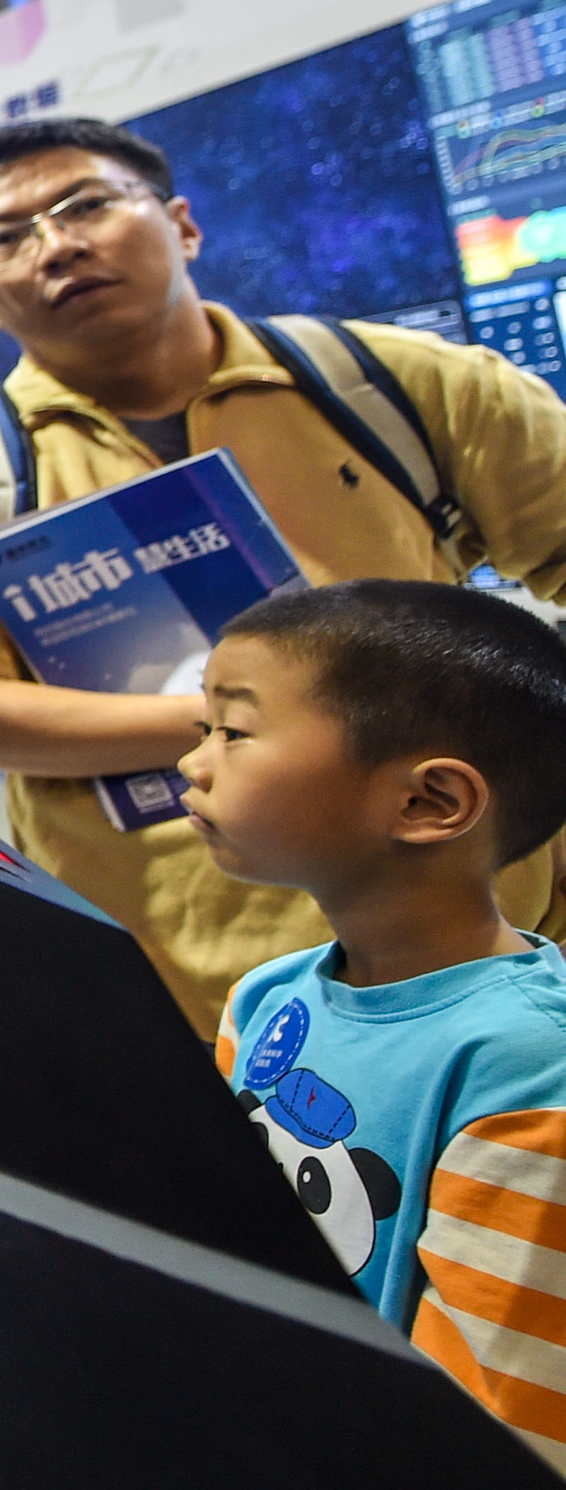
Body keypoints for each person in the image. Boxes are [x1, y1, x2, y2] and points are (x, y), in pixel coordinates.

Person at [0, 116, 566, 1031]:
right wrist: (269, 729)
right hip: (190, 995)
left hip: (495, 943)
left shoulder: (396, 383)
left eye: (87, 204)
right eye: (4, 237)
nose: (57, 245)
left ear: (183, 224)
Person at [186, 582, 566, 1458]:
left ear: (428, 801)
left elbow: (501, 1420)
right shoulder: (267, 996)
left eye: (234, 732)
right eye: (203, 729)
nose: (194, 764)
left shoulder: (528, 1064)